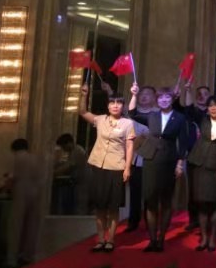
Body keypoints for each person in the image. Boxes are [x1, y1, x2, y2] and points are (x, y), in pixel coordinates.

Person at [128, 84, 188, 252]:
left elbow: (183, 143)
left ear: (172, 99)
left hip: (169, 160)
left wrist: (180, 163)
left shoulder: (180, 118)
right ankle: (152, 239)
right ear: (157, 100)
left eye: (167, 97)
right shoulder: (152, 116)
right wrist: (134, 95)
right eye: (160, 97)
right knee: (151, 200)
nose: (164, 100)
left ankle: (161, 239)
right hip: (151, 159)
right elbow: (132, 113)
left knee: (166, 201)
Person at [78, 82, 135, 253]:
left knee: (113, 206)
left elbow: (130, 147)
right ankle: (100, 239)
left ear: (123, 106)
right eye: (112, 102)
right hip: (98, 166)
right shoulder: (100, 119)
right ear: (108, 105)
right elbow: (82, 112)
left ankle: (110, 239)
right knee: (99, 205)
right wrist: (84, 95)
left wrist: (127, 168)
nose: (115, 105)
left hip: (116, 167)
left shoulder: (127, 123)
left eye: (119, 103)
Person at [185, 94, 216, 251]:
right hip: (198, 164)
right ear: (207, 108)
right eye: (210, 106)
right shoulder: (203, 119)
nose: (213, 108)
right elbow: (189, 108)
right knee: (201, 203)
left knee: (213, 203)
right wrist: (188, 90)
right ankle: (204, 238)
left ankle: (212, 238)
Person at [6, 139, 44, 267]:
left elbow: (11, 178)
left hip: (21, 193)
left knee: (16, 226)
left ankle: (11, 259)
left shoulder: (17, 158)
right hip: (35, 194)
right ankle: (28, 256)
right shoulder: (35, 158)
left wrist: (7, 189)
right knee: (31, 226)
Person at [125, 85, 157, 231]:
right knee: (135, 192)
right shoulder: (132, 114)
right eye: (142, 94)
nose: (144, 96)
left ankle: (151, 221)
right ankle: (133, 220)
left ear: (154, 97)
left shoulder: (158, 114)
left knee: (151, 193)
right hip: (135, 159)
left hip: (152, 159)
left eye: (148, 94)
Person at [180, 83, 211, 231]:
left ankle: (207, 218)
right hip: (192, 156)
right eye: (199, 93)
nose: (202, 96)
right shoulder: (192, 112)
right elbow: (188, 107)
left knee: (207, 189)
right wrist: (187, 91)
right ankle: (194, 220)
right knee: (192, 189)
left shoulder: (213, 113)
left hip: (209, 156)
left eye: (205, 94)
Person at [52, 133, 88, 215]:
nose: (63, 149)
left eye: (63, 146)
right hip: (78, 182)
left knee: (80, 207)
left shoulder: (78, 151)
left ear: (69, 143)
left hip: (83, 183)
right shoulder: (73, 152)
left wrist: (54, 173)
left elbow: (68, 166)